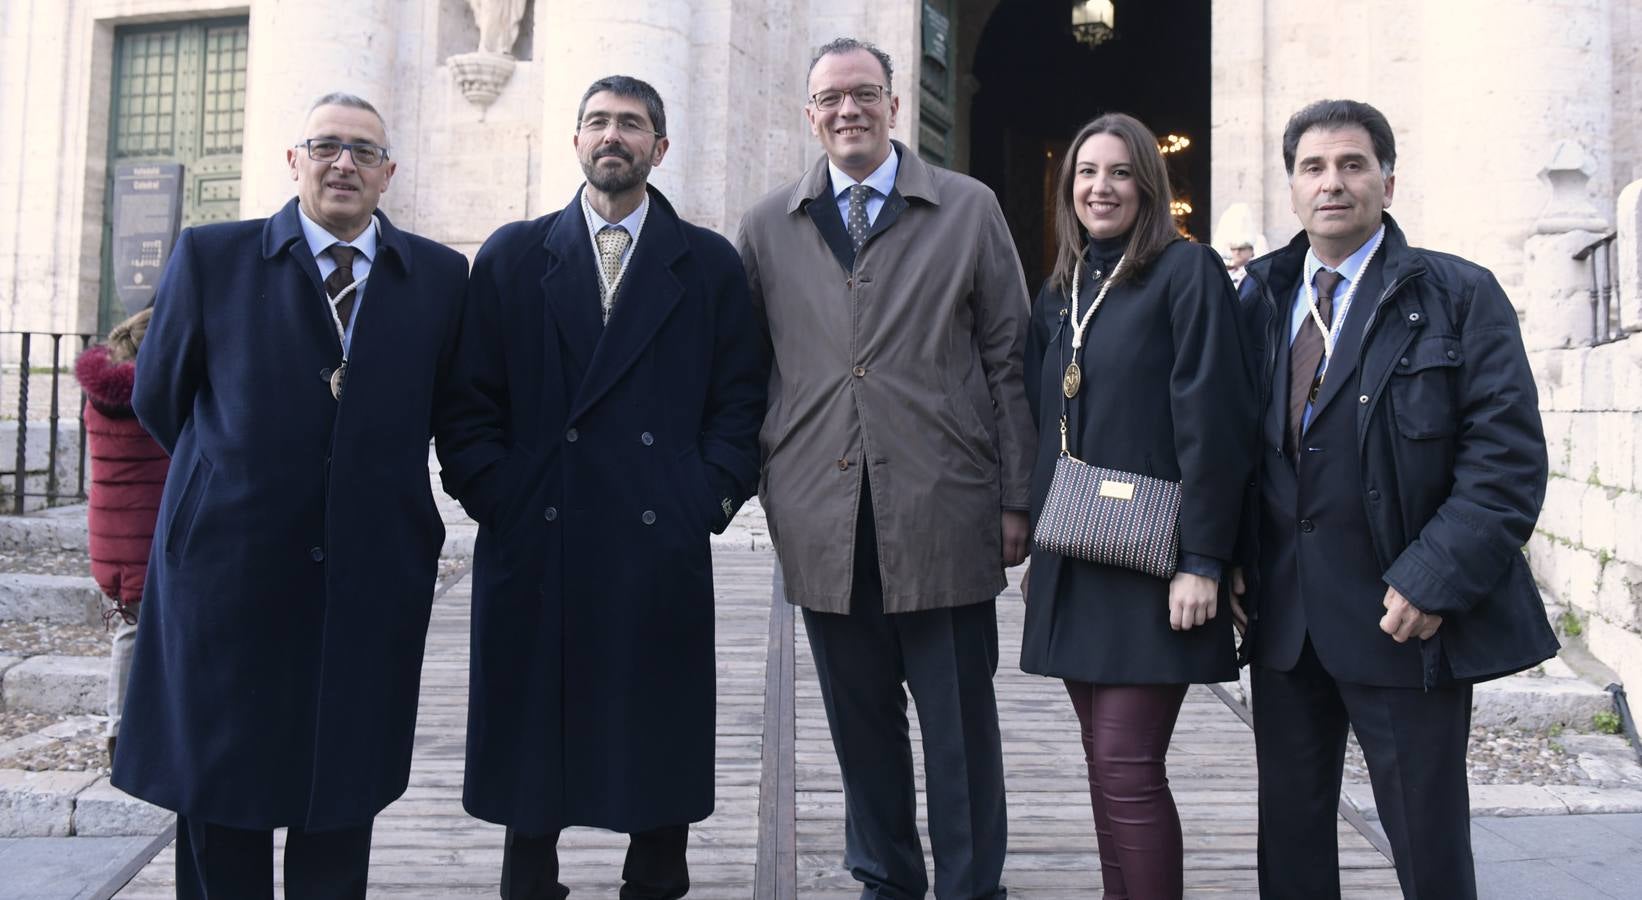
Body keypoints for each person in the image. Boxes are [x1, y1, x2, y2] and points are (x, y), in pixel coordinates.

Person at [113, 92, 469, 899]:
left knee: (340, 793)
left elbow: (453, 404)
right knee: (222, 793)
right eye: (326, 146)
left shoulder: (440, 278)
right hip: (229, 570)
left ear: (389, 174)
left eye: (364, 152)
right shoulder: (212, 257)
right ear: (294, 160)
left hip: (370, 568)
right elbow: (161, 397)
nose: (344, 163)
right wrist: (239, 479)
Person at [437, 75, 765, 899]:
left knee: (654, 734)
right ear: (576, 141)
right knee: (533, 747)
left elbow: (742, 402)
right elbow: (468, 400)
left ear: (660, 147)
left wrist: (706, 500)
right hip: (537, 535)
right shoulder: (514, 254)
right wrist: (499, 494)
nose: (611, 135)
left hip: (659, 544)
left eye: (631, 124)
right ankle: (529, 880)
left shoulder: (711, 263)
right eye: (597, 122)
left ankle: (655, 878)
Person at [1234, 99, 1558, 899]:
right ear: (1292, 186)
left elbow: (1506, 461)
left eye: (1352, 165)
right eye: (1313, 168)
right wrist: (1224, 556)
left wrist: (1433, 579)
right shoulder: (1260, 299)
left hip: (1404, 618)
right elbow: (1226, 447)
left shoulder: (1458, 294)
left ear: (1387, 178)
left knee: (1428, 847)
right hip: (1286, 624)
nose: (1332, 184)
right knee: (1293, 846)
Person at [735, 37, 1033, 900]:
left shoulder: (967, 208)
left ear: (896, 105)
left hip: (944, 504)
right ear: (809, 115)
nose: (847, 111)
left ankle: (975, 885)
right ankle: (886, 879)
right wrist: (770, 471)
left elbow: (1008, 356)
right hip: (823, 514)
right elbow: (749, 366)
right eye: (830, 99)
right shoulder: (766, 225)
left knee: (959, 726)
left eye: (864, 94)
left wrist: (1017, 496)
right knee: (859, 723)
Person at [1018, 113, 1256, 899]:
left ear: (1148, 184)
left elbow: (1214, 422)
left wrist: (1204, 559)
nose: (1101, 187)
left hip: (1157, 562)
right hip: (1079, 552)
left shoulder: (1187, 273)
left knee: (1127, 766)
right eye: (1086, 172)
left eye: (1120, 172)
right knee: (1104, 768)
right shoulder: (1063, 288)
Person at [73, 307, 169, 764]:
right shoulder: (150, 398)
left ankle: (123, 729)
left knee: (131, 631)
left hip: (113, 535)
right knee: (147, 633)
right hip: (148, 533)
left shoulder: (99, 398)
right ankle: (130, 733)